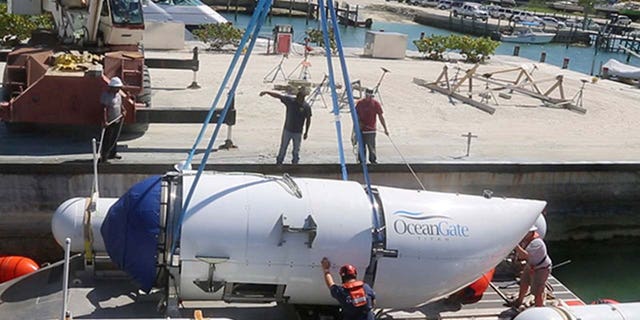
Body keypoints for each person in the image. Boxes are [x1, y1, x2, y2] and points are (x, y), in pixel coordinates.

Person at [259, 88, 312, 165]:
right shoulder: (290, 101)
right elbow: (278, 96)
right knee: (283, 148)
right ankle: (279, 163)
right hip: (287, 130)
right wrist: (267, 92)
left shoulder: (306, 107)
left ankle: (295, 164)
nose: (300, 98)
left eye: (302, 97)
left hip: (298, 132)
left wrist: (306, 132)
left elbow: (308, 120)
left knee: (296, 150)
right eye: (299, 96)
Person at [511, 225, 552, 308]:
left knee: (538, 290)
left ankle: (539, 308)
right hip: (531, 265)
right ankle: (519, 301)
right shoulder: (525, 240)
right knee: (524, 282)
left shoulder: (536, 243)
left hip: (541, 268)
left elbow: (524, 256)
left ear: (530, 232)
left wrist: (515, 245)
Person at [354, 88, 388, 164]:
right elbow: (355, 115)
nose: (367, 97)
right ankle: (361, 162)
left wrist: (385, 129)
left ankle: (373, 161)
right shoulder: (359, 103)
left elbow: (381, 116)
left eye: (369, 96)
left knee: (371, 147)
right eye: (366, 95)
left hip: (371, 130)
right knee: (361, 147)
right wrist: (358, 122)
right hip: (361, 129)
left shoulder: (376, 104)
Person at [100, 76, 126, 163]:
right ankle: (104, 156)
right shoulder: (106, 96)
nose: (118, 89)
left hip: (117, 119)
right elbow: (103, 109)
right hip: (110, 121)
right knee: (108, 139)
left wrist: (123, 110)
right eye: (117, 88)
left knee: (115, 137)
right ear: (112, 87)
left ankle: (113, 153)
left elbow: (120, 104)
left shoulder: (118, 94)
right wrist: (105, 121)